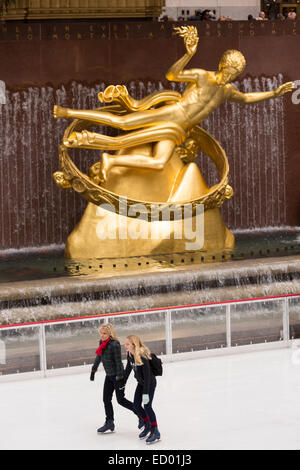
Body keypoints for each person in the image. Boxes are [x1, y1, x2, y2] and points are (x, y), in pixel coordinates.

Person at [54, 26, 293, 183]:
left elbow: (246, 98)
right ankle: (69, 112)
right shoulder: (202, 76)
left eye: (237, 72)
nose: (233, 75)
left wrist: (274, 93)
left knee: (158, 162)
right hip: (171, 113)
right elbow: (172, 75)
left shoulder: (227, 91)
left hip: (179, 130)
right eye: (231, 69)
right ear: (222, 65)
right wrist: (189, 54)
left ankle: (111, 160)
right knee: (123, 123)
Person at [90, 323, 143, 433]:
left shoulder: (114, 344)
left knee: (121, 400)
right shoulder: (102, 343)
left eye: (104, 333)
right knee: (106, 399)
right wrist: (93, 369)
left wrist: (120, 377)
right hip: (109, 376)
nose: (102, 335)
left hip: (117, 376)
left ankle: (141, 415)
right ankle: (109, 422)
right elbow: (99, 356)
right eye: (101, 333)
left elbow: (118, 362)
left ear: (110, 333)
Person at [123, 335, 160, 444]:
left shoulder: (142, 355)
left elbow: (148, 376)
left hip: (149, 384)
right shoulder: (130, 355)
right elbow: (127, 371)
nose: (125, 346)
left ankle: (155, 431)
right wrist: (121, 383)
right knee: (136, 406)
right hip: (141, 383)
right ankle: (147, 425)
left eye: (127, 344)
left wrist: (145, 393)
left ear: (134, 345)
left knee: (147, 406)